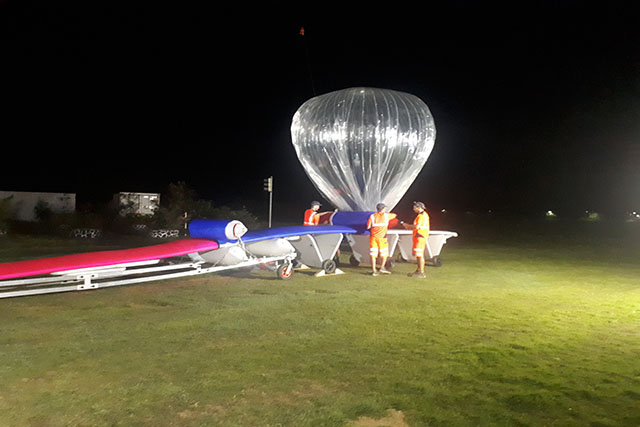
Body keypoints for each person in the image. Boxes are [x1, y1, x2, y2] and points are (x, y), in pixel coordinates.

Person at [366, 202, 397, 276]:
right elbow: (395, 215)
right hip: (382, 238)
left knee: (373, 255)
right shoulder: (386, 216)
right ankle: (382, 267)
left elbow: (368, 227)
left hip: (373, 238)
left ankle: (374, 270)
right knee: (384, 254)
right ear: (383, 209)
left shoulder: (372, 216)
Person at [402, 201, 430, 278]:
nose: (413, 208)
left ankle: (421, 272)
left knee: (420, 255)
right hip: (420, 236)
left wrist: (407, 226)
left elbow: (417, 227)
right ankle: (418, 270)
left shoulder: (421, 216)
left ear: (419, 208)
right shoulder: (423, 215)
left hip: (419, 236)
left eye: (414, 207)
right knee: (418, 255)